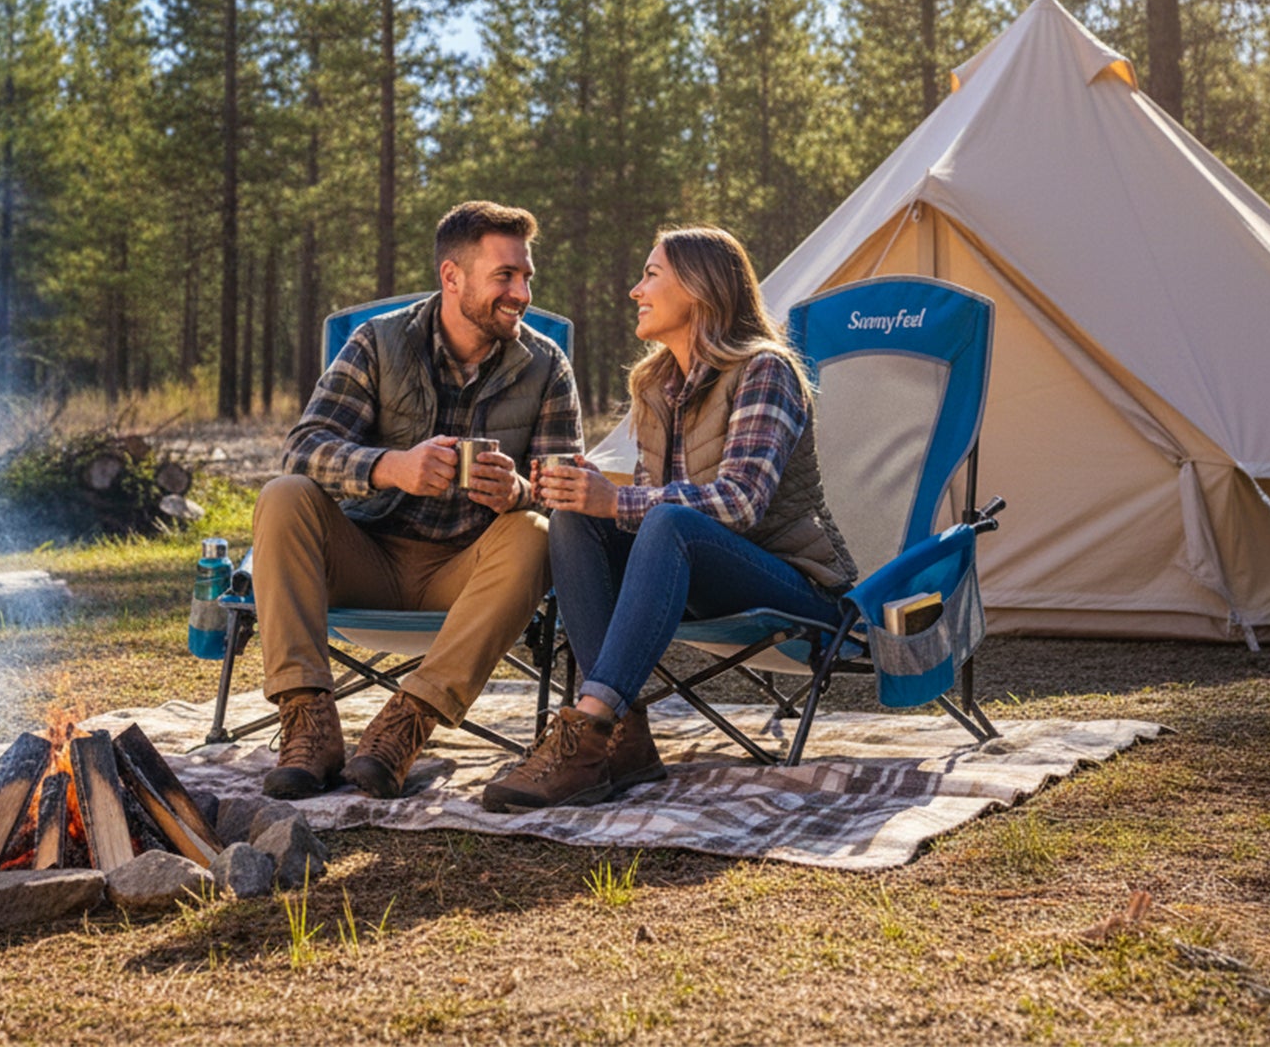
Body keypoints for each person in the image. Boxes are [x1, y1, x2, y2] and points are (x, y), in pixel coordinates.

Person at [481, 225, 856, 812]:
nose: (636, 290)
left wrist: (616, 500)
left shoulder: (765, 371)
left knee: (665, 522)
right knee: (576, 520)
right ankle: (624, 741)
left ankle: (586, 731)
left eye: (651, 275)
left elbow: (740, 502)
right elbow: (654, 503)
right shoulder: (656, 384)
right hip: (700, 577)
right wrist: (590, 495)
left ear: (699, 290)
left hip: (796, 586)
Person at [252, 200, 582, 800]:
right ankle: (308, 723)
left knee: (535, 532)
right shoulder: (378, 343)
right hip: (365, 558)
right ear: (452, 276)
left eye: (526, 276)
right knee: (284, 496)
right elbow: (303, 450)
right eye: (505, 276)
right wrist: (390, 467)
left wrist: (518, 491)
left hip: (467, 575)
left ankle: (405, 726)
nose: (522, 293)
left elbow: (566, 497)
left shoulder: (546, 365)